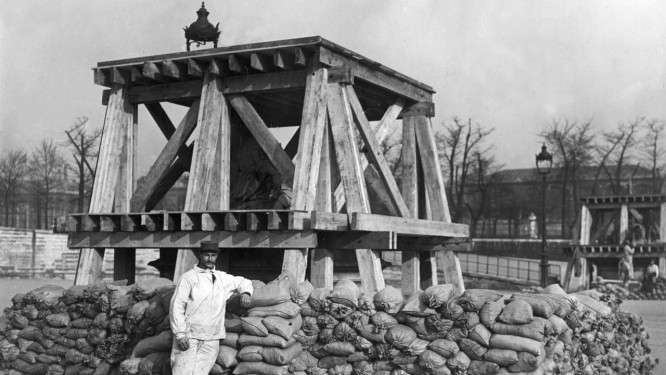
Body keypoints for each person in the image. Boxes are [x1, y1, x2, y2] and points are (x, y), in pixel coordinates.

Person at [170, 242, 254, 375]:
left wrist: (245, 293)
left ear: (217, 256)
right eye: (206, 255)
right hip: (190, 336)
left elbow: (244, 282)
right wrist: (180, 334)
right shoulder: (188, 278)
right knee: (182, 372)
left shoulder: (222, 278)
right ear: (200, 255)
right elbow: (177, 306)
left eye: (213, 255)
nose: (210, 259)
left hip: (212, 338)